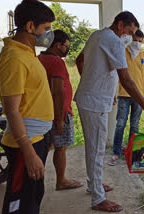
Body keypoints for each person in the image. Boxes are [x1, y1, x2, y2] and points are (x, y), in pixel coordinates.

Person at [74, 11, 144, 212]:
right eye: (129, 31)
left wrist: (93, 81)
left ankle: (94, 183)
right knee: (97, 150)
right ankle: (97, 198)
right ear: (120, 25)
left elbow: (79, 61)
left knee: (94, 147)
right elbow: (127, 80)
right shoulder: (115, 42)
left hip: (90, 98)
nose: (129, 36)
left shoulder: (96, 35)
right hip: (94, 102)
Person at [0, 1, 55, 213]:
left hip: (36, 138)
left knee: (33, 194)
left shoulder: (27, 53)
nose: (49, 34)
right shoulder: (14, 59)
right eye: (46, 29)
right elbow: (12, 110)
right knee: (20, 201)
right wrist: (28, 152)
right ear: (30, 27)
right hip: (25, 143)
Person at [38, 30, 83, 190]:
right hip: (59, 112)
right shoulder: (56, 62)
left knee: (44, 147)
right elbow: (57, 91)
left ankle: (38, 180)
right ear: (58, 45)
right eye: (66, 46)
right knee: (61, 147)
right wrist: (59, 119)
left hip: (43, 111)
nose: (67, 49)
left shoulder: (40, 58)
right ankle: (61, 180)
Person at [109, 29, 144, 166]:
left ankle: (131, 151)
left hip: (139, 97)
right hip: (123, 95)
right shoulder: (122, 52)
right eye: (135, 40)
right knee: (120, 124)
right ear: (130, 39)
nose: (137, 43)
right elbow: (117, 75)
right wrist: (113, 93)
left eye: (140, 41)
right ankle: (116, 152)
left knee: (135, 125)